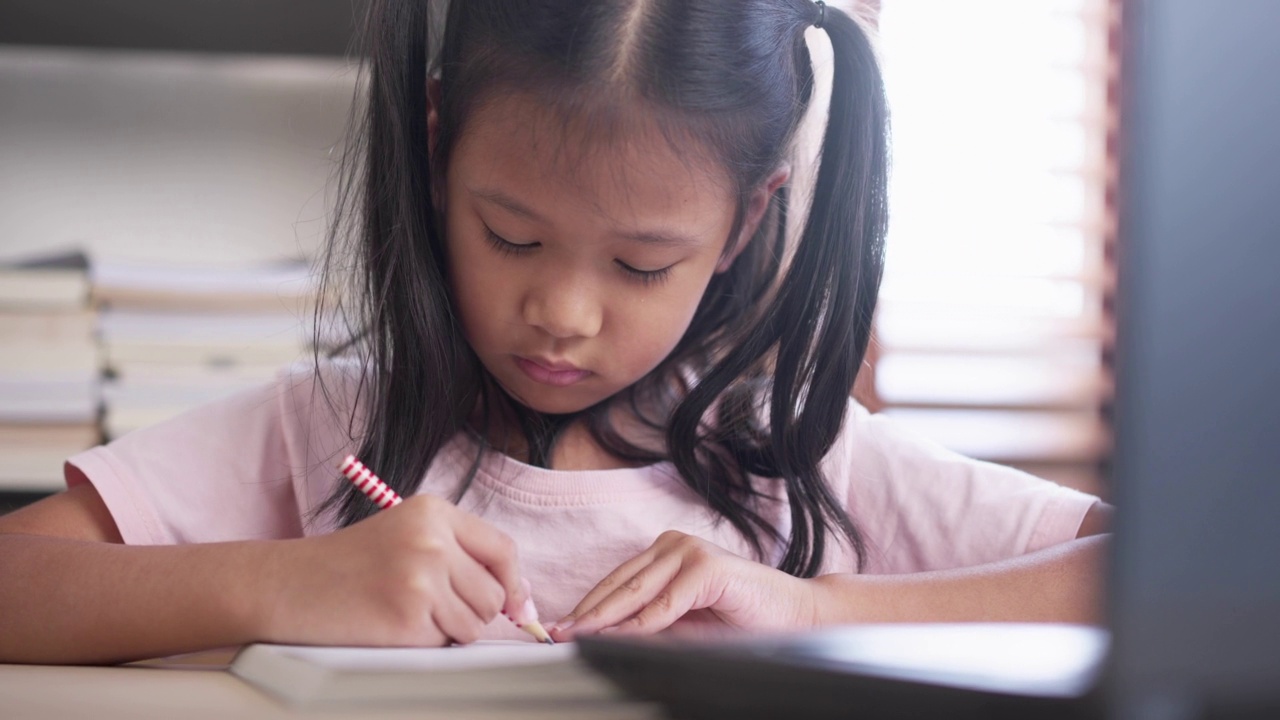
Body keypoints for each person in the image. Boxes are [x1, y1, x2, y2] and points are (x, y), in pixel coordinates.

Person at [0, 0, 1111, 665]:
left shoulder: (795, 461)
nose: (563, 316)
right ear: (437, 154)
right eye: (511, 237)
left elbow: (1162, 576)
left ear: (745, 221)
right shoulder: (327, 431)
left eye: (640, 264)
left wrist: (812, 607)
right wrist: (282, 584)